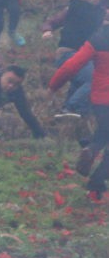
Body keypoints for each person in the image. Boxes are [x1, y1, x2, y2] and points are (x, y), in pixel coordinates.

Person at [49, 29, 109, 201]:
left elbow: (73, 64)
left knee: (104, 132)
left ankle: (90, 149)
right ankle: (96, 185)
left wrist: (54, 85)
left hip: (101, 100)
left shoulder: (100, 37)